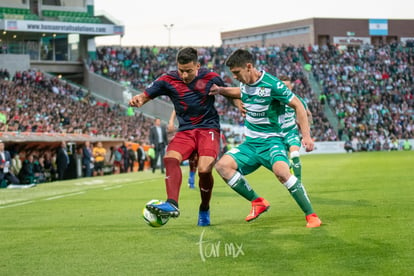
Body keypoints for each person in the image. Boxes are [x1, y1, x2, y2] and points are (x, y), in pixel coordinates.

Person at [209, 49, 322, 228]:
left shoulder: (272, 85)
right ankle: (258, 202)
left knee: (282, 173)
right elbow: (239, 91)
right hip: (251, 144)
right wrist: (221, 90)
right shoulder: (245, 83)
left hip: (271, 142)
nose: (235, 76)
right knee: (223, 166)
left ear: (249, 66)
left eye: (237, 73)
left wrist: (306, 136)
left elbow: (298, 105)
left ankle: (312, 216)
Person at [129, 47, 227, 226]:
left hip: (208, 129)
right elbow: (145, 95)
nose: (184, 75)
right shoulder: (168, 79)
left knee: (204, 170)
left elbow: (228, 92)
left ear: (197, 65)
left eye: (188, 71)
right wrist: (139, 100)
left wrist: (240, 105)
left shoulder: (210, 77)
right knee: (170, 158)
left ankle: (204, 207)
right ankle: (172, 204)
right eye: (181, 70)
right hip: (186, 130)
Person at [279, 75, 313, 182]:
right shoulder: (273, 99)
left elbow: (308, 114)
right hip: (276, 134)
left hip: (291, 132)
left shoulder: (297, 100)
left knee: (294, 154)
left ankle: (299, 182)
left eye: (288, 87)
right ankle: (290, 171)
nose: (286, 89)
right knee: (281, 165)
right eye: (284, 87)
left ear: (291, 87)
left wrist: (306, 132)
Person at [168, 109, 197, 188]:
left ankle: (192, 177)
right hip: (186, 132)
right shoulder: (183, 100)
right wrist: (171, 121)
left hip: (199, 131)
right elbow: (175, 108)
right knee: (192, 158)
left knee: (196, 158)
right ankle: (190, 179)